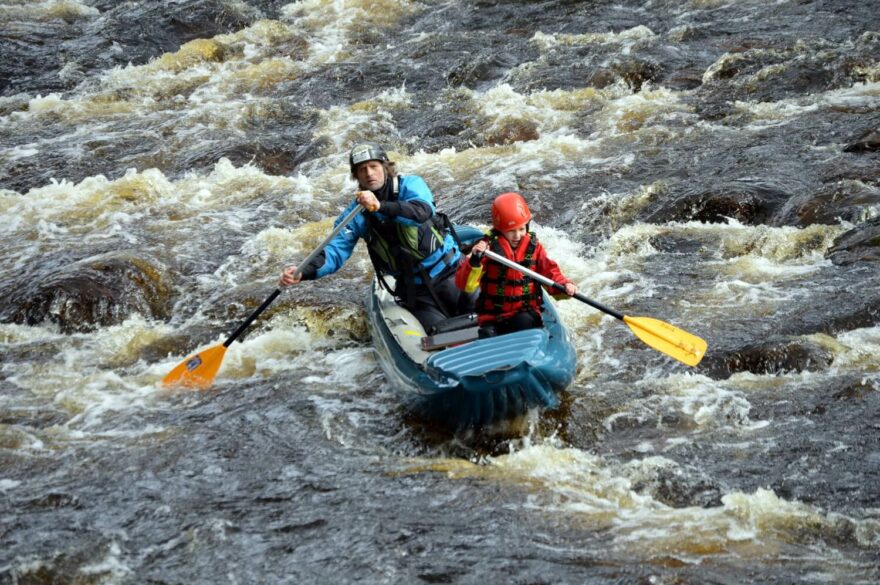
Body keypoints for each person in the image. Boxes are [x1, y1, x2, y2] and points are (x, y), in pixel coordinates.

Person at [279, 143, 472, 332]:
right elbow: (334, 252)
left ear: (385, 167)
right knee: (439, 335)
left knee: (492, 318)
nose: (369, 173)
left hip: (453, 274)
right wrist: (304, 271)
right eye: (362, 169)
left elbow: (421, 212)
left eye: (374, 166)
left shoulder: (410, 185)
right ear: (356, 176)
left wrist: (380, 206)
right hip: (415, 292)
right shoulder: (354, 214)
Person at [455, 191, 577, 338]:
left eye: (521, 229)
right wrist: (474, 260)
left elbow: (550, 272)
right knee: (487, 334)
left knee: (524, 324)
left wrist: (565, 284)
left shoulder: (535, 248)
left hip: (524, 312)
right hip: (493, 317)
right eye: (511, 231)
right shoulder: (487, 249)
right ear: (500, 230)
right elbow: (465, 285)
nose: (517, 235)